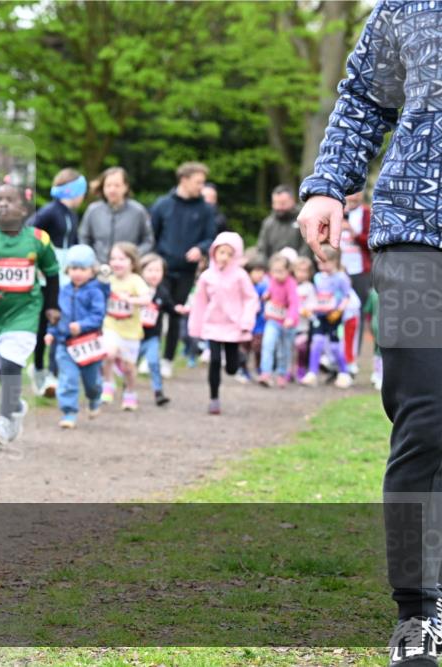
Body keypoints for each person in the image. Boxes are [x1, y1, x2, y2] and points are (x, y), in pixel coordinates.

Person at [297, 5, 442, 661]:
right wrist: (329, 184)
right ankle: (418, 611)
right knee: (427, 417)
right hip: (417, 230)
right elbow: (363, 97)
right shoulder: (406, 4)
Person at [0, 183, 60, 446]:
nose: (3, 204)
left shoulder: (39, 239)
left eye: (10, 199)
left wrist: (52, 306)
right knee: (1, 371)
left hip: (26, 312)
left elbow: (51, 274)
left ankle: (3, 420)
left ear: (24, 208)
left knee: (10, 363)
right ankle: (15, 406)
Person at [150, 161, 217, 379]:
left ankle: (167, 359)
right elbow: (152, 235)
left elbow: (211, 238)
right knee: (155, 312)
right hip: (162, 270)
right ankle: (149, 356)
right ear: (184, 180)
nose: (201, 186)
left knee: (176, 313)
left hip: (187, 271)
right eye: (198, 182)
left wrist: (201, 249)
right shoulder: (162, 205)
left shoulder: (206, 209)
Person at [186, 231, 259, 415]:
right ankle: (214, 398)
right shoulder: (206, 277)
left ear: (236, 256)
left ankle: (239, 360)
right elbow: (200, 302)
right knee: (215, 360)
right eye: (221, 252)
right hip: (213, 325)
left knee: (231, 367)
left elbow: (251, 299)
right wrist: (196, 326)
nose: (224, 257)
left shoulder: (240, 276)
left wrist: (246, 321)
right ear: (213, 253)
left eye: (229, 253)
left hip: (234, 325)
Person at [29, 168, 87, 397]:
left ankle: (54, 372)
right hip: (49, 275)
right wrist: (39, 262)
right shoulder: (50, 212)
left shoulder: (72, 214)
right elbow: (29, 233)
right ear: (74, 191)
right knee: (45, 324)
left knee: (61, 322)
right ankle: (39, 369)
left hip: (67, 274)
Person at [43, 244, 105, 429]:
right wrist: (50, 332)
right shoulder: (62, 290)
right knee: (68, 378)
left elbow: (98, 315)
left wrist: (82, 325)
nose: (77, 273)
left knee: (92, 382)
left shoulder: (95, 292)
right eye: (74, 268)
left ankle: (94, 398)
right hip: (65, 343)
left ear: (92, 271)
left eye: (82, 269)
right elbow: (55, 315)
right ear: (67, 269)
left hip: (88, 344)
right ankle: (69, 412)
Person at [100, 241, 151, 411]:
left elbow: (147, 299)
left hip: (131, 332)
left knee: (129, 368)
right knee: (108, 353)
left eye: (121, 259)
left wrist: (131, 300)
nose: (116, 262)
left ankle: (130, 392)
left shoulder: (135, 281)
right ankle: (108, 382)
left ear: (132, 262)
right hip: (111, 326)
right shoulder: (108, 280)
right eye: (113, 258)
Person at [299, 248, 352, 389]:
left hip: (334, 317)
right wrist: (309, 308)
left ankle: (344, 373)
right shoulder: (317, 278)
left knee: (335, 346)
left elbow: (347, 297)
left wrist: (339, 311)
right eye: (319, 263)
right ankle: (312, 373)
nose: (322, 267)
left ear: (334, 261)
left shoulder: (341, 278)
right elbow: (315, 295)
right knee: (317, 342)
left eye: (325, 263)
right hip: (319, 315)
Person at [79, 166, 155, 262]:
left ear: (126, 187)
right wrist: (93, 261)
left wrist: (131, 257)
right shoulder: (93, 210)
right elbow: (84, 238)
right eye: (108, 185)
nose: (112, 190)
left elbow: (148, 240)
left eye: (117, 185)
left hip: (129, 270)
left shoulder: (138, 211)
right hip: (98, 268)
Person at [137, 253, 174, 406]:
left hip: (153, 337)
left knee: (153, 362)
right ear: (141, 271)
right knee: (130, 364)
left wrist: (179, 309)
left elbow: (171, 308)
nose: (154, 274)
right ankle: (128, 387)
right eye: (150, 270)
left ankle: (158, 392)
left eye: (158, 270)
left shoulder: (162, 292)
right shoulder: (136, 288)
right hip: (135, 336)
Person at [257, 254, 300, 388]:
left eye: (280, 272)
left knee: (284, 350)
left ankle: (282, 374)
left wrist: (290, 318)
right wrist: (267, 295)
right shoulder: (272, 281)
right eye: (274, 271)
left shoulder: (291, 284)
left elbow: (294, 303)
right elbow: (271, 291)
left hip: (288, 324)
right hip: (273, 320)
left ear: (288, 271)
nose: (276, 275)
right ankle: (266, 373)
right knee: (268, 344)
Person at [340, 190, 372, 367]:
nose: (352, 198)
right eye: (350, 194)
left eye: (357, 195)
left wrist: (354, 233)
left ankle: (353, 357)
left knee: (357, 312)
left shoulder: (366, 213)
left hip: (359, 270)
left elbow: (371, 241)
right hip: (339, 270)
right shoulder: (336, 210)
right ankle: (336, 357)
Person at [257, 185, 309, 262]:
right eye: (275, 203)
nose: (278, 207)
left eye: (282, 203)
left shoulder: (303, 218)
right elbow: (262, 249)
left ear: (292, 201)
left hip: (300, 269)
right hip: (273, 269)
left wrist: (298, 266)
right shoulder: (268, 223)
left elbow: (307, 247)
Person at [292, 256, 317, 383]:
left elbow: (313, 304)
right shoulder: (290, 285)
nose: (301, 274)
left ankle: (301, 369)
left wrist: (307, 310)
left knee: (302, 348)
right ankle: (287, 371)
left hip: (303, 326)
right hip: (290, 325)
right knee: (289, 350)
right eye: (299, 270)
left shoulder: (309, 287)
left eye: (304, 271)